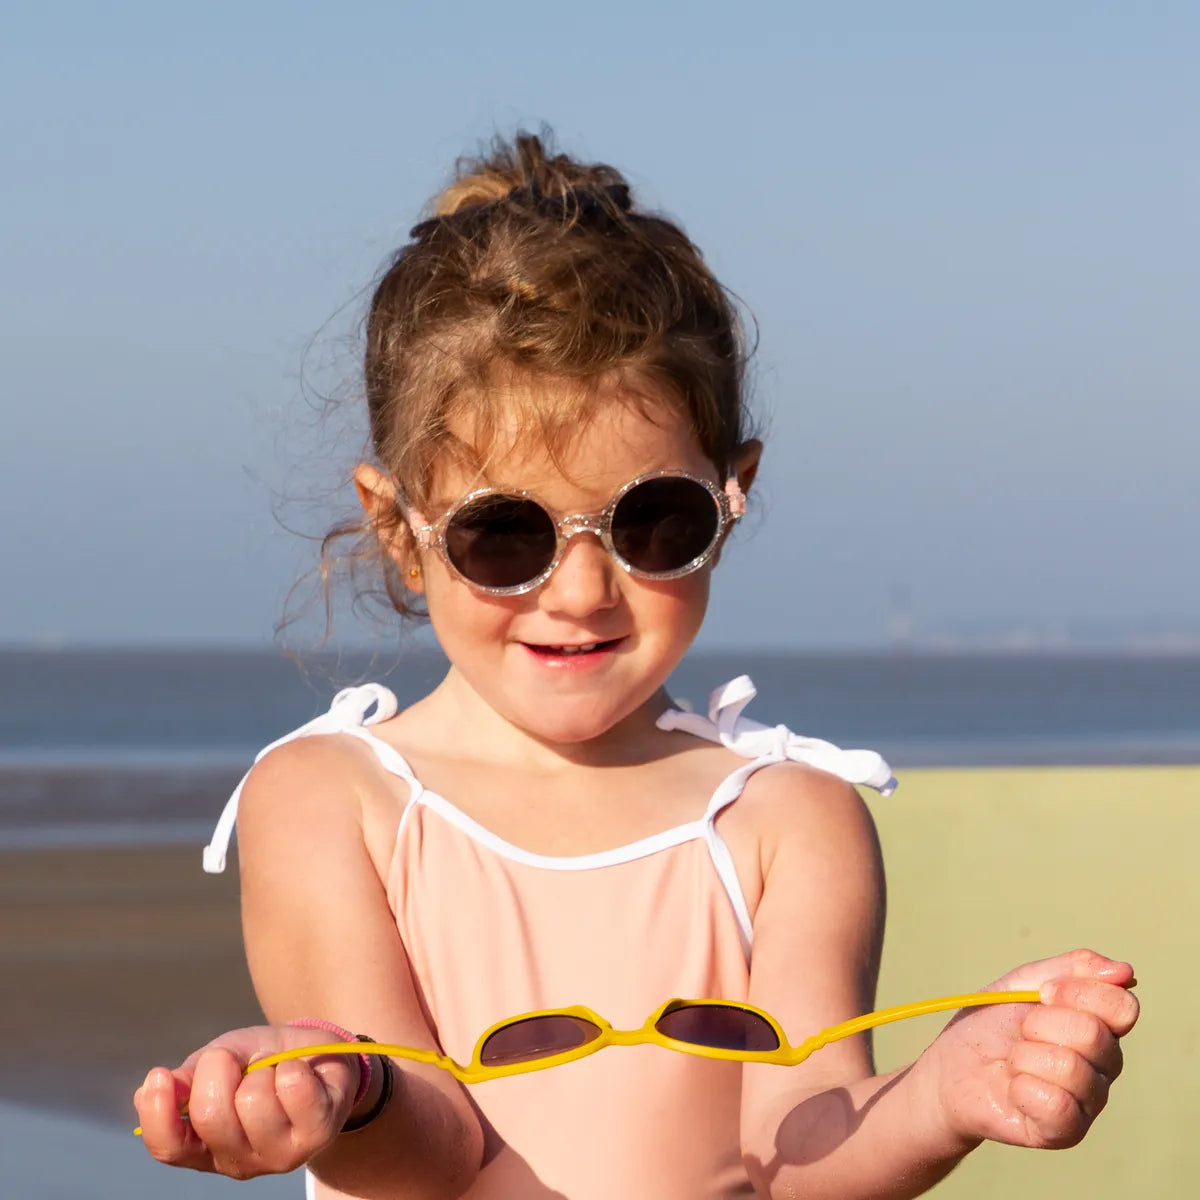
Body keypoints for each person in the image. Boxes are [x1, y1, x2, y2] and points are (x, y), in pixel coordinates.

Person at [134, 133, 1138, 1200]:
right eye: (505, 534)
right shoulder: (335, 801)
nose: (579, 591)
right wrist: (343, 1092)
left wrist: (942, 1095)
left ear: (733, 494)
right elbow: (433, 1154)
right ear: (398, 530)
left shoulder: (787, 821)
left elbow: (801, 1146)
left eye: (654, 523)